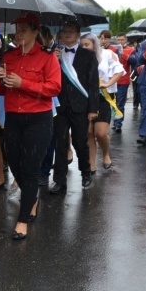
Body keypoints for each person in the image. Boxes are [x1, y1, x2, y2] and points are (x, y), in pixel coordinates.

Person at [0, 12, 61, 238]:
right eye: (17, 28)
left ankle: (23, 219)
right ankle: (30, 198)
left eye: (24, 29)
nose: (18, 33)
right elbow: (1, 90)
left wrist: (23, 83)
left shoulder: (47, 57)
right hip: (13, 117)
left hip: (38, 119)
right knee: (14, 164)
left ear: (35, 31)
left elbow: (54, 88)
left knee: (30, 168)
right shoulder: (9, 55)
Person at [49, 19, 98, 195]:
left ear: (78, 34)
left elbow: (93, 83)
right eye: (64, 30)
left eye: (71, 30)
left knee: (80, 142)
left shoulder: (88, 55)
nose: (67, 33)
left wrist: (93, 108)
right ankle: (59, 181)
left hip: (80, 106)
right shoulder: (54, 54)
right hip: (60, 106)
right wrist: (52, 61)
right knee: (60, 143)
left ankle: (86, 173)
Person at [82, 33, 124, 170]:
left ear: (94, 44)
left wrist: (107, 83)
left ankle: (105, 153)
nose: (84, 47)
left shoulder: (107, 54)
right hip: (86, 98)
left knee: (100, 132)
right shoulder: (79, 57)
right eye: (82, 45)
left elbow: (119, 71)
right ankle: (91, 164)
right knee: (88, 132)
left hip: (104, 97)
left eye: (87, 44)